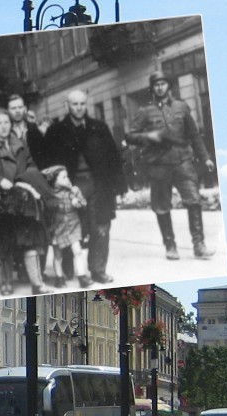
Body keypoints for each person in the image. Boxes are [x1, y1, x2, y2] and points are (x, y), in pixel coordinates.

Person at [125, 72, 216, 261]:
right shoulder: (144, 111)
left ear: (168, 86)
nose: (160, 87)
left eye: (163, 83)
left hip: (183, 162)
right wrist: (150, 137)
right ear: (153, 88)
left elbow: (194, 135)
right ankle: (170, 245)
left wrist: (205, 157)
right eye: (156, 84)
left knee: (194, 201)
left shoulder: (181, 107)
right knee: (162, 207)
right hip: (158, 165)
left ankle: (199, 245)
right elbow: (131, 135)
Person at [41, 89, 127, 285]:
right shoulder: (57, 131)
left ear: (86, 104)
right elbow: (47, 161)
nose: (79, 108)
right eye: (74, 104)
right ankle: (68, 267)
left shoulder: (99, 127)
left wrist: (119, 186)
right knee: (68, 225)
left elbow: (113, 157)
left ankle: (97, 270)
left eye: (82, 104)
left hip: (98, 184)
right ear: (67, 106)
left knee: (100, 226)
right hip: (69, 186)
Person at [0, 109, 56, 296]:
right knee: (6, 242)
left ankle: (37, 283)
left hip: (23, 196)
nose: (4, 126)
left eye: (6, 122)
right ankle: (7, 283)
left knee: (30, 241)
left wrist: (29, 179)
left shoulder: (20, 143)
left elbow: (31, 165)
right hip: (2, 199)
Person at [40, 164, 88, 288]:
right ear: (54, 181)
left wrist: (78, 203)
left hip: (73, 225)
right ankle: (59, 277)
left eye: (67, 176)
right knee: (57, 255)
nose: (67, 179)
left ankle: (82, 276)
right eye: (64, 177)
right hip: (58, 227)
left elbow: (84, 203)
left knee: (77, 251)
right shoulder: (51, 195)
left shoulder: (73, 190)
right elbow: (47, 210)